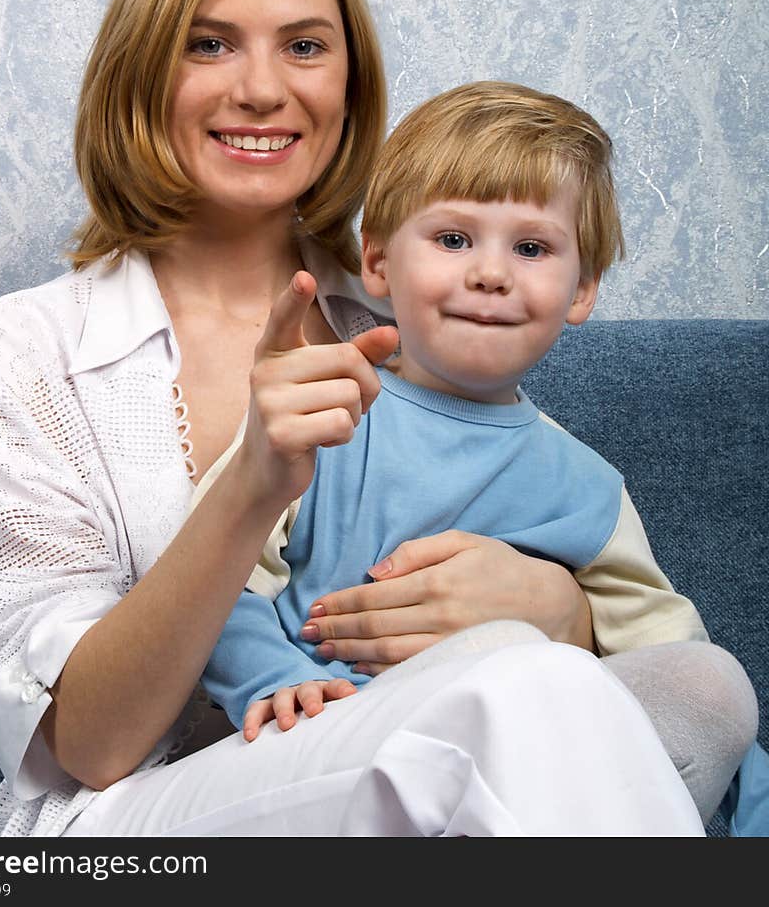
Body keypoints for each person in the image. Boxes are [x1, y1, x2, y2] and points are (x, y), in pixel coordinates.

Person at [0, 0, 706, 839]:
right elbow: (90, 747)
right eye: (208, 42)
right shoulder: (20, 357)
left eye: (304, 45)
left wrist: (561, 613)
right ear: (140, 70)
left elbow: (594, 608)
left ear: (350, 78)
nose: (263, 88)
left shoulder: (433, 309)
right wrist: (252, 482)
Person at [202, 80, 759, 830]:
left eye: (531, 247)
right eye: (454, 239)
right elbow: (218, 581)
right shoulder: (322, 408)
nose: (490, 272)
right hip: (329, 756)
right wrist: (276, 679)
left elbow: (671, 663)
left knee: (713, 683)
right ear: (377, 263)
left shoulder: (586, 488)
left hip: (511, 774)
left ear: (582, 287)